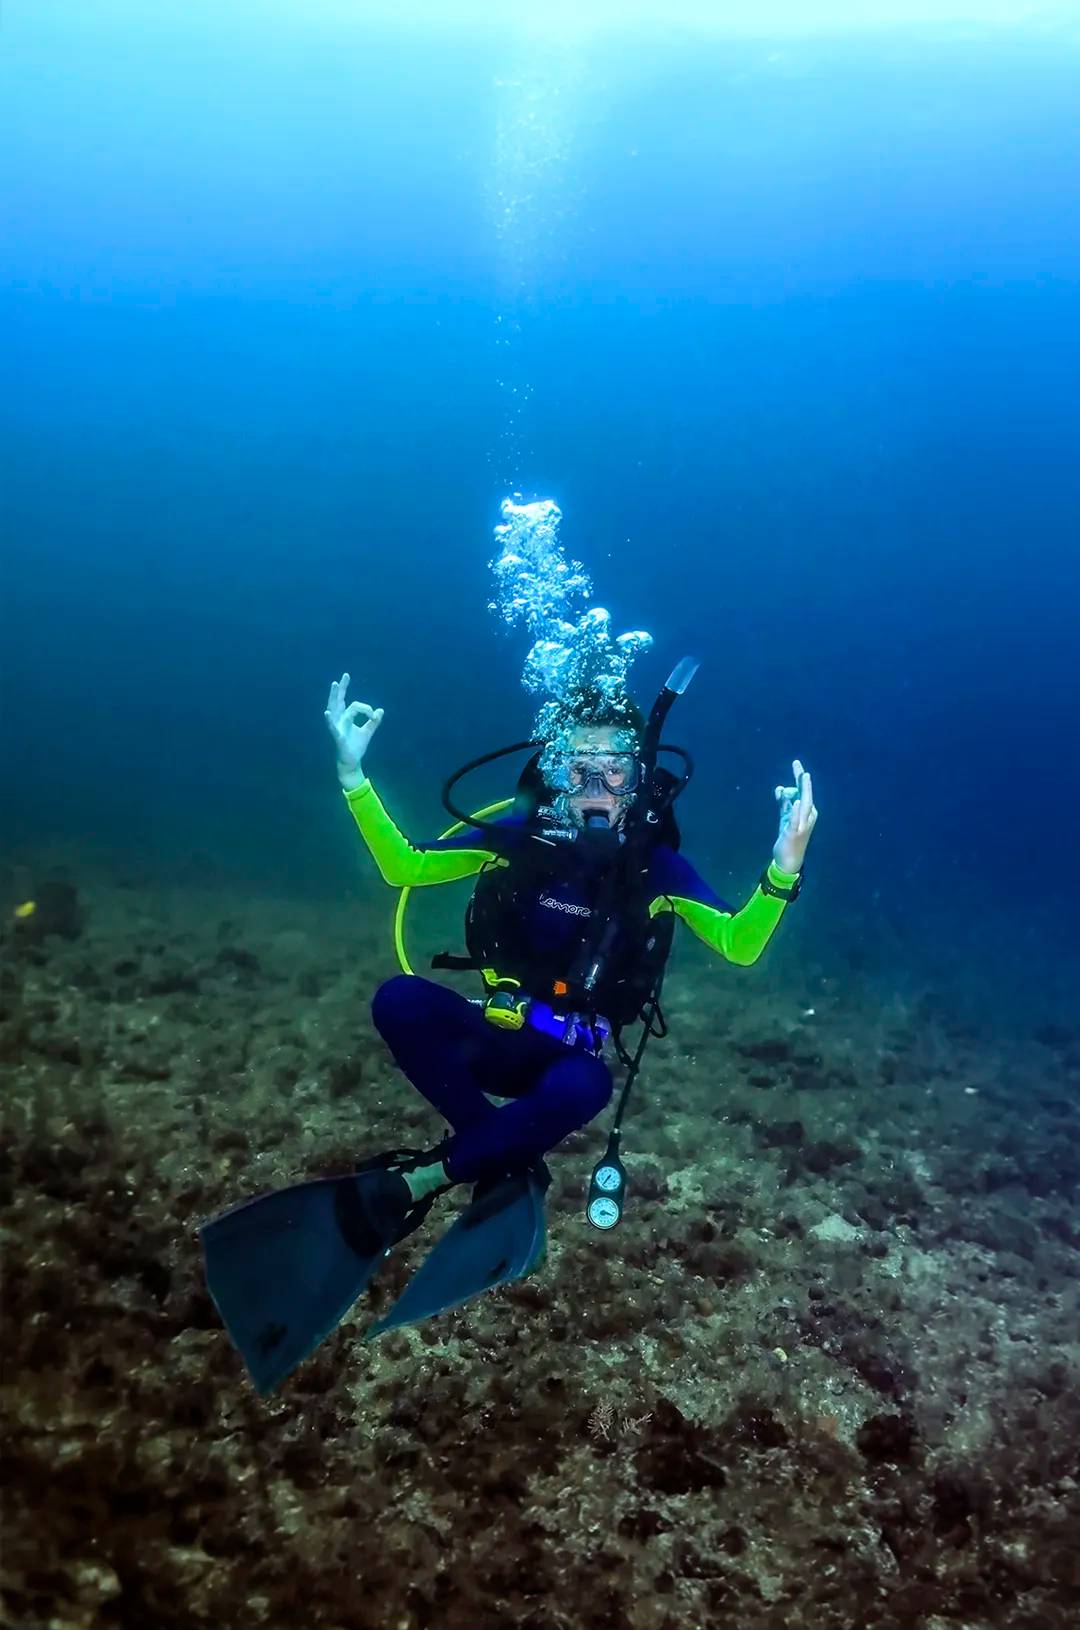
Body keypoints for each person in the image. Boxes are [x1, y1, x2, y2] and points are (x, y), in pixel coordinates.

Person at [199, 665, 817, 1393]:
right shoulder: (520, 835)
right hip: (491, 1036)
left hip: (564, 1065)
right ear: (556, 767)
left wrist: (783, 869)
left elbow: (740, 945)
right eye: (580, 767)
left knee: (587, 1083)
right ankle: (495, 1153)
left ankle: (425, 1178)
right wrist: (351, 773)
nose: (596, 787)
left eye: (614, 771)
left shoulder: (655, 868)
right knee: (399, 999)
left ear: (638, 776)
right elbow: (404, 869)